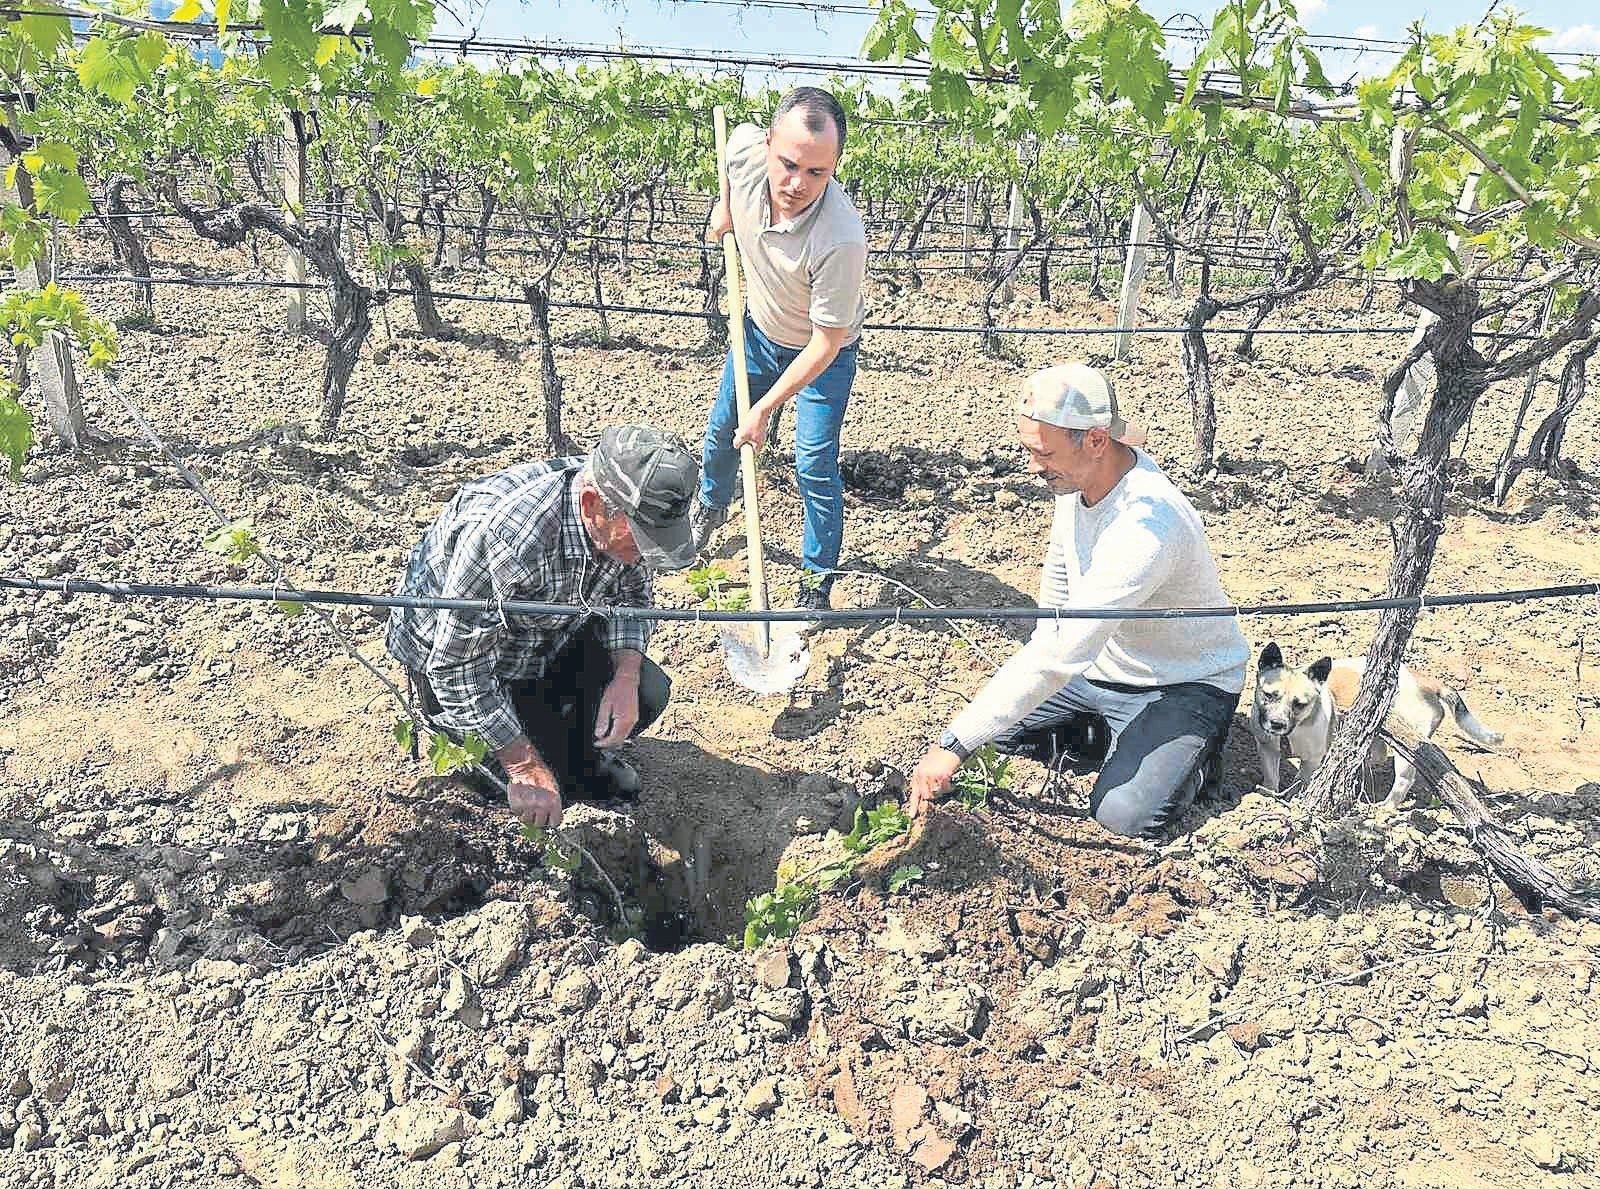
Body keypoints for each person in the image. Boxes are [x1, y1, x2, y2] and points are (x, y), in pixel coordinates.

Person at [907, 364, 1248, 838]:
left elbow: (1062, 652)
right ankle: (1115, 741)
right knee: (998, 735)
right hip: (1099, 668)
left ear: (1094, 441)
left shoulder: (1148, 528)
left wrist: (953, 745)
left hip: (1181, 681)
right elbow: (1055, 616)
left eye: (1043, 453)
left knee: (1123, 816)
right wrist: (974, 735)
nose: (1032, 466)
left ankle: (1193, 757)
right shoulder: (1077, 482)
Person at [387, 426, 699, 830]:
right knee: (509, 793)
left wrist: (625, 675)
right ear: (592, 506)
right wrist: (521, 764)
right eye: (640, 539)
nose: (644, 554)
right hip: (461, 668)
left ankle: (572, 759)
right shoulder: (509, 536)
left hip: (545, 640)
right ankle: (523, 764)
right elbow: (455, 668)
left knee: (646, 692)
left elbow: (632, 599)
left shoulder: (620, 519)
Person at [691, 85, 868, 611]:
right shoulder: (747, 152)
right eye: (788, 164)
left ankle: (816, 581)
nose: (797, 184)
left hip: (821, 358)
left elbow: (826, 343)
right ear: (769, 145)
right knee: (723, 429)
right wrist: (724, 209)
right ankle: (710, 505)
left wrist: (766, 410)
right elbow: (731, 145)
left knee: (813, 462)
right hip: (759, 333)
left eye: (818, 173)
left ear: (834, 166)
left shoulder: (841, 237)